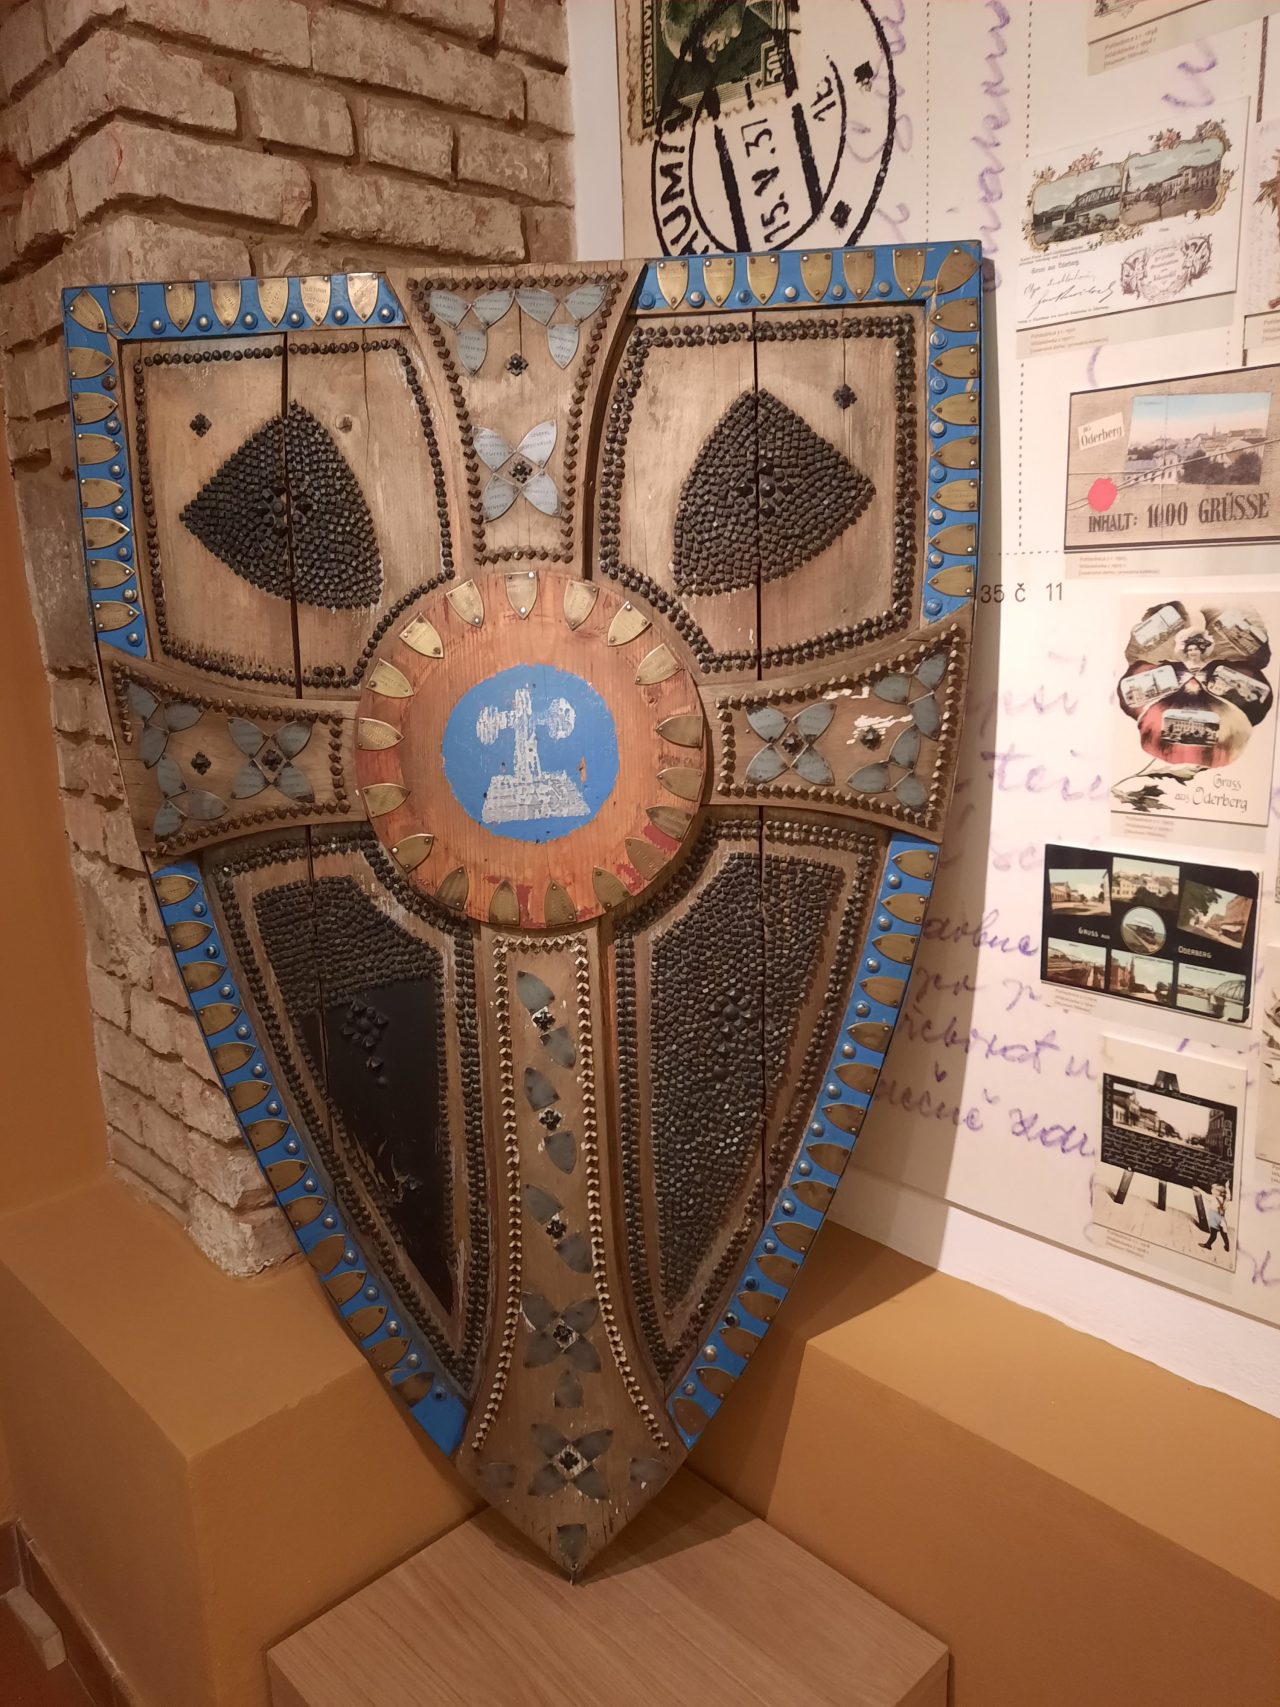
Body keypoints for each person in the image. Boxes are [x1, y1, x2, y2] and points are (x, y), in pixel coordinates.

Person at [1200, 1184, 1230, 1252]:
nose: (1212, 1189)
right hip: (1221, 1219)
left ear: (1218, 1192)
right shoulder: (1224, 1199)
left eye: (1214, 1189)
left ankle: (1208, 1245)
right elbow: (1228, 1197)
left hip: (1215, 1219)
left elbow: (1205, 1195)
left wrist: (1198, 1189)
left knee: (1213, 1234)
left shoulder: (1213, 1198)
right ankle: (1227, 1245)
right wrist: (1227, 1187)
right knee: (1223, 1233)